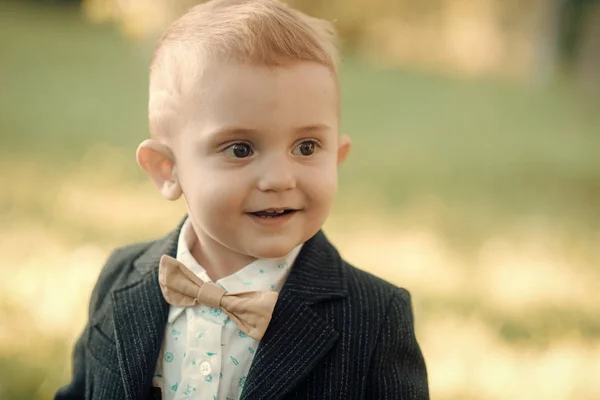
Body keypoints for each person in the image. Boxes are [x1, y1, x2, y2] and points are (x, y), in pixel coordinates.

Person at [55, 0, 429, 399]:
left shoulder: (374, 317)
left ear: (336, 158)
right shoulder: (122, 277)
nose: (279, 179)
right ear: (168, 170)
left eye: (306, 147)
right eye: (240, 149)